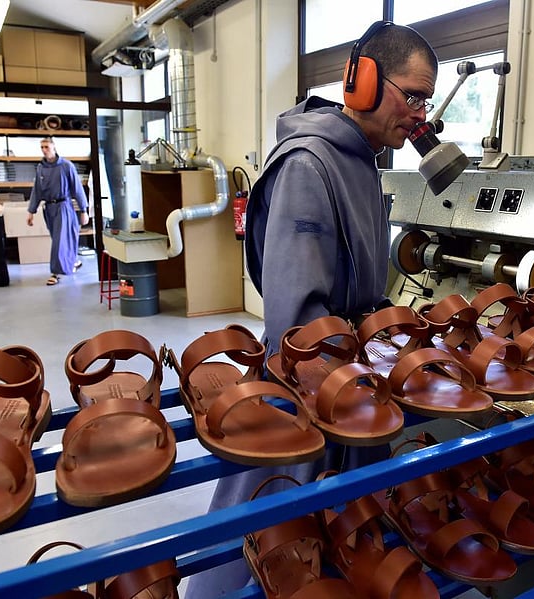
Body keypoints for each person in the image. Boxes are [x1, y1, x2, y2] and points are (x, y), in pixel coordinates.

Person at [183, 21, 438, 597]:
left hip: (348, 366)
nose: (420, 114)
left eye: (427, 100)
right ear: (364, 80)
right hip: (311, 379)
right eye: (413, 96)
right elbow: (296, 325)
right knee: (274, 528)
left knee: (338, 530)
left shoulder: (364, 162)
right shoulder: (308, 164)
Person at [26, 137, 90, 286]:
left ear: (54, 147)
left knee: (60, 241)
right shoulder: (41, 168)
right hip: (49, 208)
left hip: (64, 206)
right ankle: (73, 261)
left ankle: (55, 273)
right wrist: (31, 211)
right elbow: (37, 190)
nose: (44, 150)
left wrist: (83, 210)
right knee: (58, 239)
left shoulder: (66, 166)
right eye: (41, 147)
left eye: (46, 146)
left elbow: (77, 189)